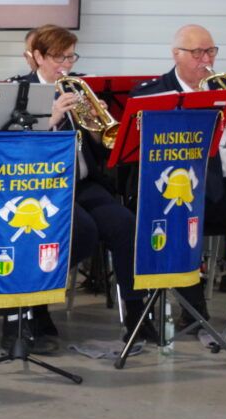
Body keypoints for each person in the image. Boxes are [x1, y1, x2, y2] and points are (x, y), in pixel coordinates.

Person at [131, 24, 226, 328]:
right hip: (186, 189)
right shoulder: (153, 93)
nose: (206, 59)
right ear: (176, 54)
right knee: (175, 216)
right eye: (197, 52)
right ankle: (194, 312)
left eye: (211, 51)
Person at [28, 25, 156, 342]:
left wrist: (98, 129)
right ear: (38, 57)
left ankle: (137, 315)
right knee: (82, 232)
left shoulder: (78, 89)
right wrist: (51, 119)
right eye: (58, 57)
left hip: (84, 183)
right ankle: (36, 305)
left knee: (125, 225)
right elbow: (18, 152)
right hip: (44, 189)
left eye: (70, 57)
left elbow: (101, 150)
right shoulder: (23, 94)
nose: (66, 65)